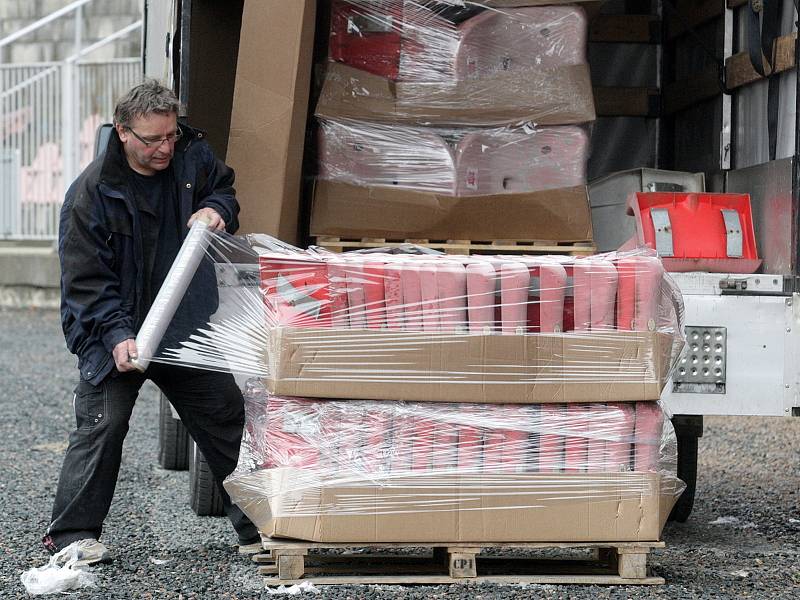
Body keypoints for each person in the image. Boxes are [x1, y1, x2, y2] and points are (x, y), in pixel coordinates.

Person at [43, 79, 260, 564]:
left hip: (181, 324)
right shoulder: (91, 194)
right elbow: (86, 283)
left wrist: (216, 208)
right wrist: (118, 336)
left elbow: (224, 189)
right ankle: (73, 536)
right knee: (103, 423)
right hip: (114, 329)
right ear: (122, 132)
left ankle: (259, 530)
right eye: (151, 140)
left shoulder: (191, 156)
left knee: (224, 416)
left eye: (170, 136)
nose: (164, 148)